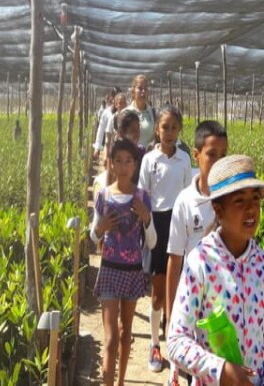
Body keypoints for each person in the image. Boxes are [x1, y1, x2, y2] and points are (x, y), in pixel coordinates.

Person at [167, 155, 264, 386]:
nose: (251, 208)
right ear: (218, 210)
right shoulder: (200, 262)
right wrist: (220, 370)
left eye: (255, 199)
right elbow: (176, 340)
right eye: (239, 201)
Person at [165, 120, 228, 386]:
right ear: (196, 154)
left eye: (223, 156)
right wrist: (171, 324)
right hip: (192, 310)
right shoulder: (185, 201)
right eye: (211, 154)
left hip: (225, 311)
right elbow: (174, 260)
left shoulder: (232, 198)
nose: (217, 161)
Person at [90, 138, 157, 386]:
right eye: (118, 160)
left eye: (128, 160)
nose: (123, 165)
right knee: (109, 339)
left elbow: (151, 242)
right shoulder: (104, 196)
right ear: (111, 163)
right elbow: (93, 235)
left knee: (125, 332)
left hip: (132, 272)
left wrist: (146, 217)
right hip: (109, 269)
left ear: (135, 164)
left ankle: (120, 381)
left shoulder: (142, 198)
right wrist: (101, 228)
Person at [138, 105, 192, 373]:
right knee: (158, 291)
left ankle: (177, 344)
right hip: (157, 224)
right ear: (156, 130)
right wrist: (148, 228)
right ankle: (155, 344)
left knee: (180, 288)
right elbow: (143, 196)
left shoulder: (184, 159)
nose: (169, 132)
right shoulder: (150, 159)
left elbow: (187, 197)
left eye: (173, 127)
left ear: (179, 130)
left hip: (178, 223)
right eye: (164, 127)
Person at [124, 74, 157, 148]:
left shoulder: (153, 113)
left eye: (145, 88)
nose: (143, 91)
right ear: (133, 91)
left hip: (149, 156)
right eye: (140, 88)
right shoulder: (126, 113)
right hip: (131, 156)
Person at [93, 88, 120, 162]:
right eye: (115, 97)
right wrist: (97, 147)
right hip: (109, 147)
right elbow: (101, 130)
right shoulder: (106, 113)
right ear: (111, 98)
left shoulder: (126, 112)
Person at [104, 92, 129, 161]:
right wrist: (107, 155)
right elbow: (108, 138)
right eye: (120, 103)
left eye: (124, 103)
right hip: (115, 151)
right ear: (116, 105)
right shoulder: (113, 118)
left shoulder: (129, 118)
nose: (122, 105)